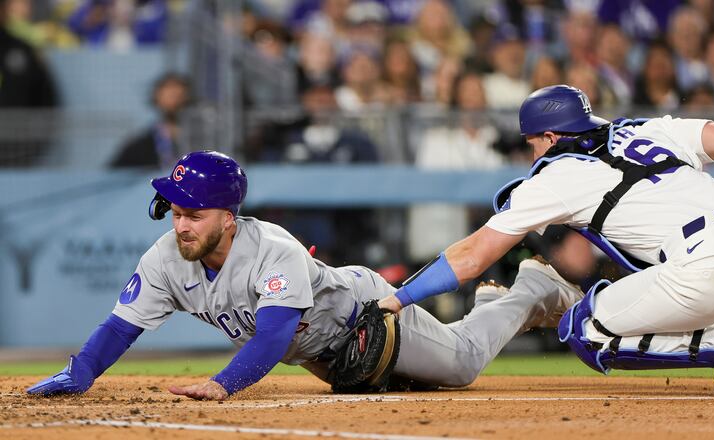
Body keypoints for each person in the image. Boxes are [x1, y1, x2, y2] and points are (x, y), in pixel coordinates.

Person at [27, 150, 584, 400]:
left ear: (228, 215)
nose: (181, 225)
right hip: (321, 352)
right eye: (175, 212)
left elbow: (271, 335)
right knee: (411, 395)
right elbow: (121, 325)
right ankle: (497, 302)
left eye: (193, 214)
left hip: (362, 316)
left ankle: (529, 288)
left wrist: (223, 384)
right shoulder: (167, 258)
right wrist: (80, 373)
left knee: (461, 366)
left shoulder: (272, 248)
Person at [377, 85, 714, 397]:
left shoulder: (553, 179)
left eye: (533, 141)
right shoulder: (645, 129)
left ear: (551, 137)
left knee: (585, 329)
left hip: (707, 260)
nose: (532, 151)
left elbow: (471, 257)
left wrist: (398, 298)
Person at [110, 73, 190, 169]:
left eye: (178, 95)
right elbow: (114, 172)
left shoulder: (202, 140)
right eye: (169, 95)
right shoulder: (141, 146)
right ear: (156, 99)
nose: (174, 100)